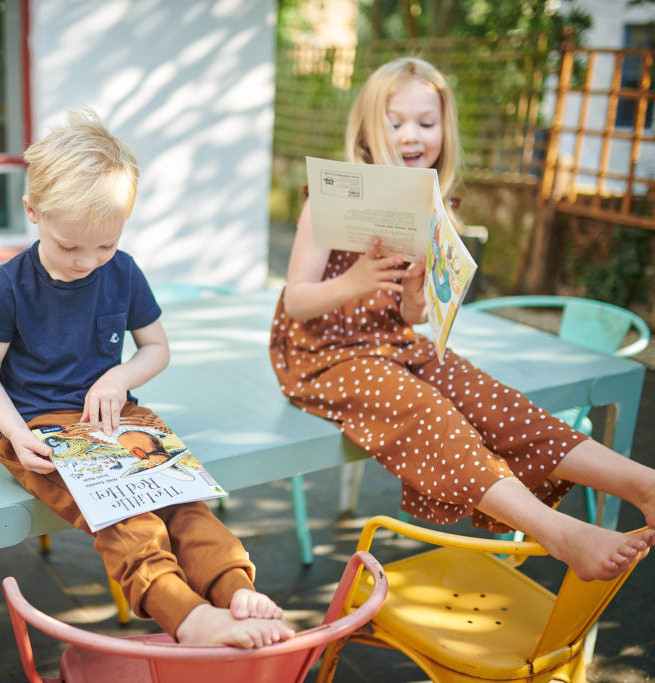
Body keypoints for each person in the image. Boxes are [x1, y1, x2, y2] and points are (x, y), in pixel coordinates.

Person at [269, 57, 655, 582]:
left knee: (492, 399)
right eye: (395, 121)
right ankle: (557, 531)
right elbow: (295, 301)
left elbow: (413, 314)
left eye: (426, 123)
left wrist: (412, 297)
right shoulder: (330, 200)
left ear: (443, 131)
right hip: (320, 356)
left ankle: (642, 483)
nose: (412, 135)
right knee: (429, 410)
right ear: (364, 130)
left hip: (393, 343)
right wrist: (355, 282)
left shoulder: (432, 205)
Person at [0, 108, 294, 647]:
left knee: (184, 502)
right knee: (126, 513)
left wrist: (119, 376)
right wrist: (18, 435)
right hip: (41, 430)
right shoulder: (9, 286)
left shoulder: (123, 271)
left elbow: (156, 348)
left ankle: (233, 586)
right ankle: (185, 616)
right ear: (32, 211)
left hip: (121, 420)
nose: (87, 262)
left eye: (106, 246)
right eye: (70, 246)